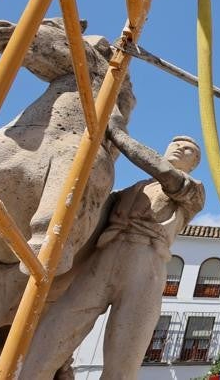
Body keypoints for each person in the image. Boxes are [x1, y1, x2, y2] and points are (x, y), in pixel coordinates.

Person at [15, 129, 206, 380]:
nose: (180, 149)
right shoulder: (131, 190)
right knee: (50, 338)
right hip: (104, 258)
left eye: (189, 150)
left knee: (122, 362)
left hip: (145, 265)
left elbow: (163, 173)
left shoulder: (192, 191)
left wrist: (117, 135)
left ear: (193, 164)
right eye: (176, 144)